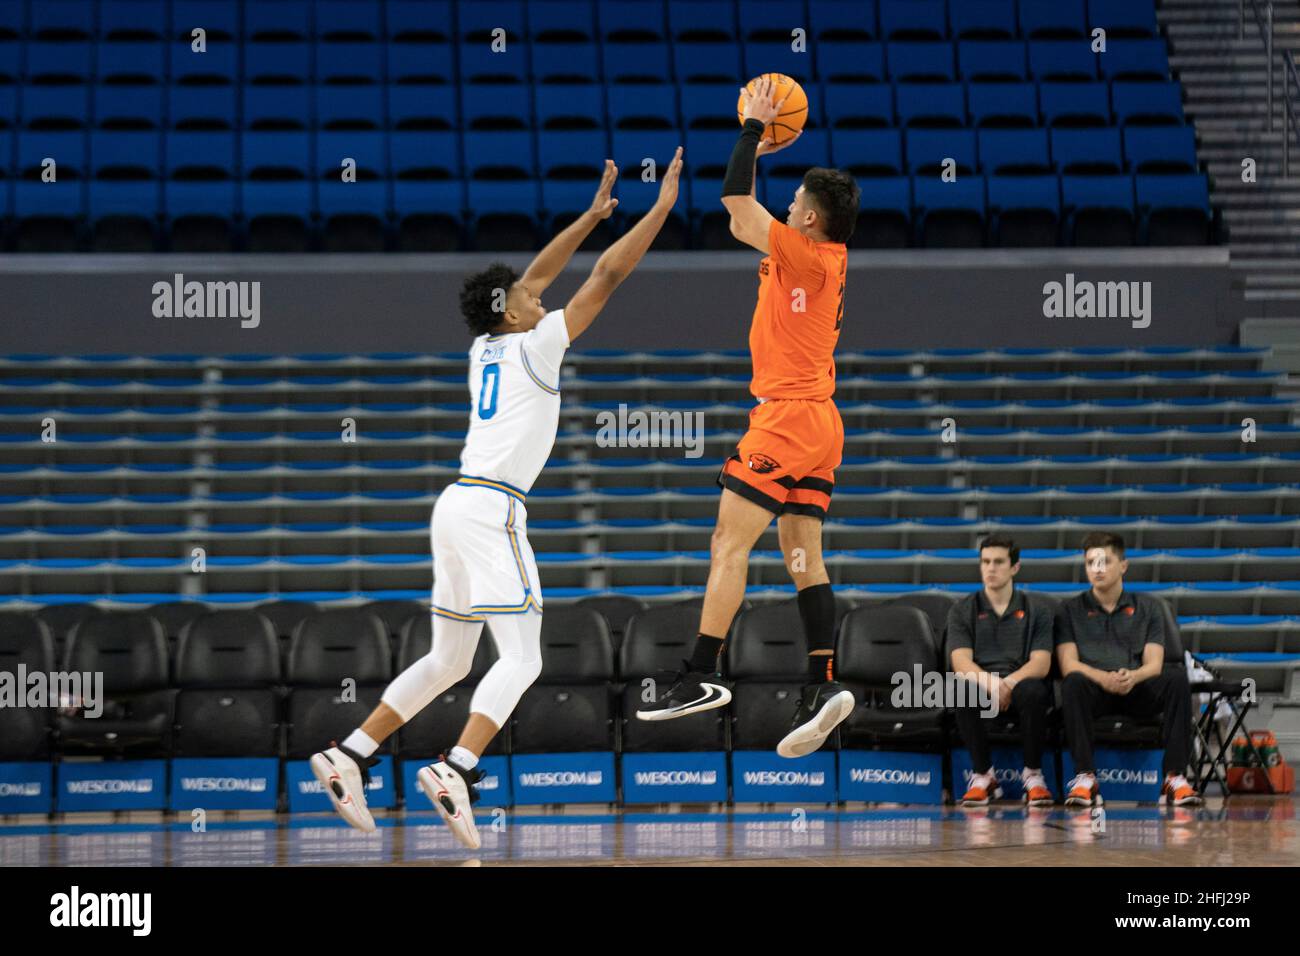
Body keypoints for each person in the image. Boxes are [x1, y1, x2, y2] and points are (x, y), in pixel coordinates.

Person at [311, 149, 685, 847]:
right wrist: (659, 211)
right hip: (491, 507)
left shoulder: (487, 346)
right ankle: (457, 766)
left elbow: (540, 273)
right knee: (524, 657)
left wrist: (593, 214)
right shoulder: (538, 343)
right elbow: (608, 273)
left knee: (451, 659)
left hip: (453, 507)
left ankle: (350, 753)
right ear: (508, 312)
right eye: (523, 295)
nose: (536, 293)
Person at [637, 77, 862, 760]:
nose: (786, 205)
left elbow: (735, 200)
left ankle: (700, 674)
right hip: (821, 422)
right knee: (802, 558)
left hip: (787, 418)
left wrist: (754, 132)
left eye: (795, 202)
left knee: (727, 547)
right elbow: (743, 217)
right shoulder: (812, 255)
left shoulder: (806, 253)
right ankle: (823, 684)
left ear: (812, 220)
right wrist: (758, 153)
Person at [1055, 531, 1202, 808]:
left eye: (1105, 562)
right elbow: (1067, 663)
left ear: (1123, 565)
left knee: (1175, 678)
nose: (1097, 569)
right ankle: (1085, 777)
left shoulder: (1149, 607)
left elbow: (1154, 663)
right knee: (1072, 682)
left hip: (1136, 689)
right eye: (1090, 563)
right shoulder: (1069, 610)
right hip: (1095, 691)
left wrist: (1132, 676)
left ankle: (1174, 777)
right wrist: (1103, 678)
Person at [946, 535, 1054, 806]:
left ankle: (1032, 776)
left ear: (1015, 567)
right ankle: (984, 777)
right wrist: (992, 685)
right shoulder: (962, 609)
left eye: (998, 562)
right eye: (985, 562)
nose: (990, 568)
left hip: (1021, 684)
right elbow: (960, 662)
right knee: (961, 688)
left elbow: (1041, 663)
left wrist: (1008, 683)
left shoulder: (1037, 610)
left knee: (1034, 690)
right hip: (983, 686)